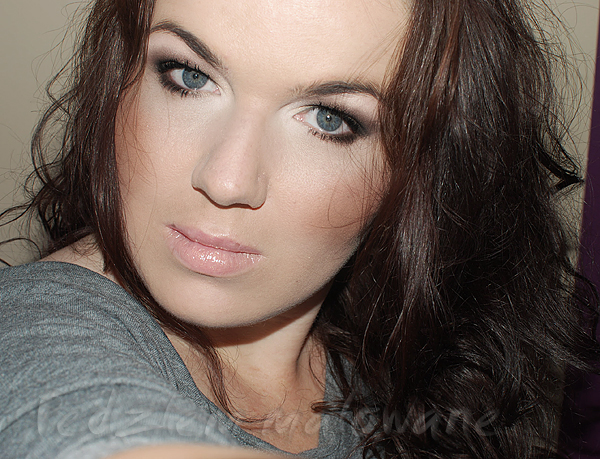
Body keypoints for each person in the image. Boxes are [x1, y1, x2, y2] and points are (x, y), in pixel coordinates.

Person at [0, 0, 597, 458]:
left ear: (419, 174)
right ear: (119, 79)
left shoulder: (393, 357)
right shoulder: (37, 326)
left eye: (328, 119)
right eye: (189, 76)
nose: (227, 180)